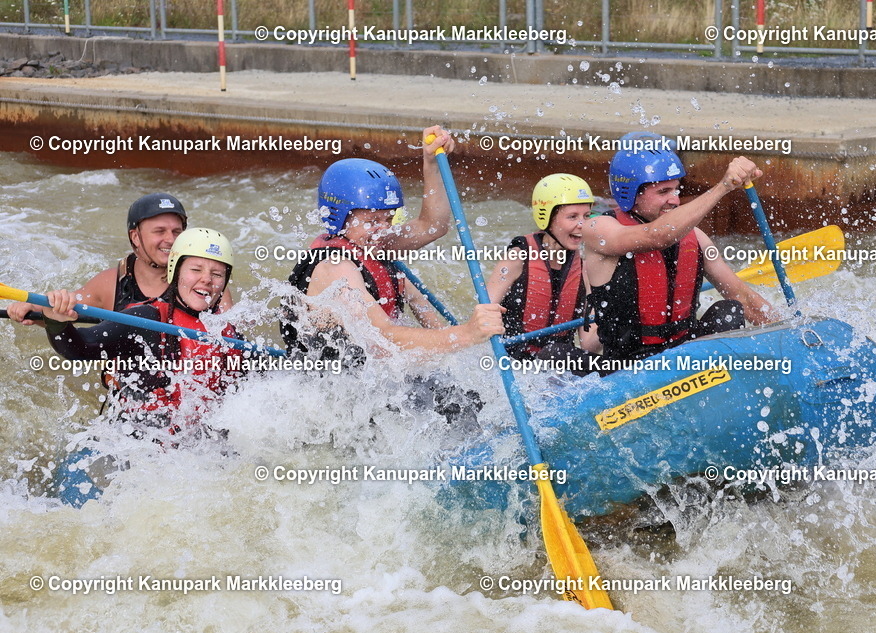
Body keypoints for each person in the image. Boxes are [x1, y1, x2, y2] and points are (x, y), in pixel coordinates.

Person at [282, 126, 504, 361]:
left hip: (374, 380)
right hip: (330, 388)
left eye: (388, 218)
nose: (383, 229)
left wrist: (431, 162)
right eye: (373, 220)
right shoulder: (335, 267)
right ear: (339, 216)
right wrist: (465, 334)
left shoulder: (373, 246)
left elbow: (433, 226)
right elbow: (382, 340)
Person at [584, 132, 780, 362]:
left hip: (685, 360)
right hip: (627, 365)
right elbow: (656, 237)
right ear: (631, 194)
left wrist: (790, 332)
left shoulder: (696, 237)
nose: (675, 200)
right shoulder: (598, 229)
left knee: (730, 310)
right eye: (663, 192)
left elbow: (743, 298)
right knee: (555, 353)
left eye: (676, 190)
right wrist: (723, 186)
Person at [42, 228, 244, 432]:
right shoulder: (145, 319)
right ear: (175, 271)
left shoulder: (228, 335)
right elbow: (79, 348)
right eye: (196, 269)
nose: (207, 280)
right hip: (135, 444)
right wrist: (56, 322)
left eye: (217, 274)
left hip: (200, 447)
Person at [5, 192, 232, 324]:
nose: (170, 240)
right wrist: (34, 308)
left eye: (176, 232)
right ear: (135, 236)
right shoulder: (111, 284)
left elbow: (229, 333)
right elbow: (68, 304)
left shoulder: (202, 283)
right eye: (159, 231)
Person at [486, 173, 598, 367]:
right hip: (513, 362)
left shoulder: (585, 265)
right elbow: (483, 318)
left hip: (559, 367)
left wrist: (614, 313)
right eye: (572, 217)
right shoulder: (517, 257)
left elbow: (588, 343)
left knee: (561, 354)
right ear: (547, 218)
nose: (582, 225)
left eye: (586, 216)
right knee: (555, 353)